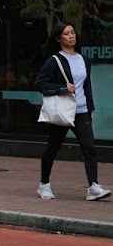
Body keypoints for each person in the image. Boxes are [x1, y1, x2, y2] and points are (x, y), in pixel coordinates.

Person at [34, 22, 110, 201]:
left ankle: (93, 187)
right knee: (52, 149)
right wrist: (62, 88)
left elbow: (86, 87)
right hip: (63, 112)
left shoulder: (84, 60)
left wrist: (90, 109)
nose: (71, 36)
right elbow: (40, 84)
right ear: (58, 38)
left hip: (82, 111)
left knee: (89, 148)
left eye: (73, 33)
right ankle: (44, 185)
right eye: (67, 34)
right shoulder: (55, 60)